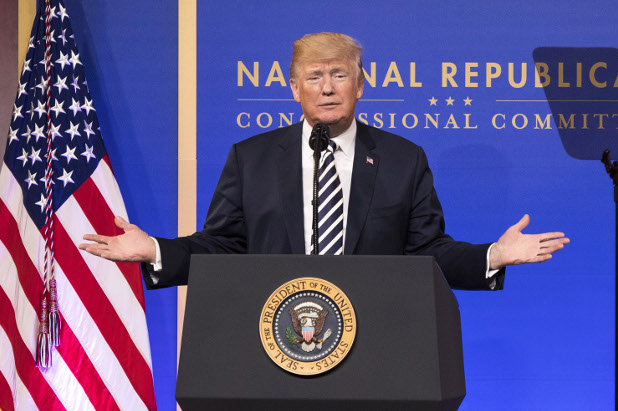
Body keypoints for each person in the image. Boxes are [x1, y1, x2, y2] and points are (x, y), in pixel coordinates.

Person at [79, 32, 569, 290]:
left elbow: (427, 252)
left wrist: (493, 255)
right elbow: (223, 246)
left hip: (375, 342)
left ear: (361, 85)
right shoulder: (251, 158)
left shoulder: (403, 159)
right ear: (294, 88)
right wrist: (156, 250)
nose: (328, 88)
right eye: (314, 76)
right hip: (273, 340)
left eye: (339, 74)